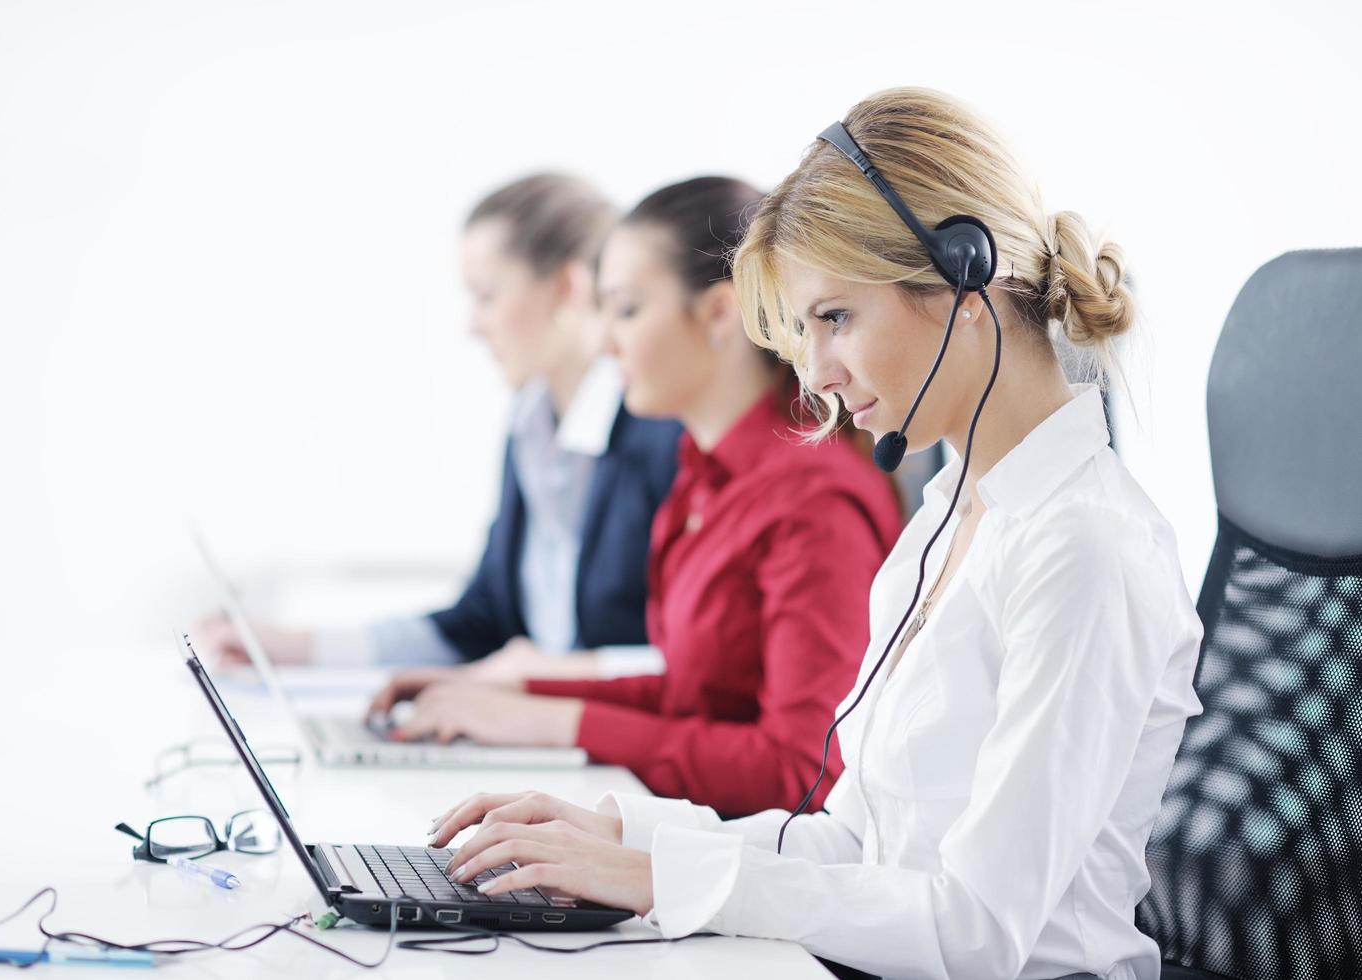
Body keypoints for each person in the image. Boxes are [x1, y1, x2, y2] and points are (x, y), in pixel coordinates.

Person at [421, 89, 1204, 980]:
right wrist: (619, 834)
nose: (818, 374)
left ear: (963, 278)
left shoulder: (1084, 549)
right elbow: (853, 844)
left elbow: (976, 932)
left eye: (835, 318)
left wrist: (653, 877)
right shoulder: (947, 519)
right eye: (804, 331)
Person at [373, 177, 903, 816]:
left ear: (716, 315)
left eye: (624, 310)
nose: (602, 341)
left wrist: (557, 722)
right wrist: (516, 694)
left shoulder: (811, 501)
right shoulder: (702, 475)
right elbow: (693, 697)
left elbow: (805, 771)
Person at [195, 174, 682, 683]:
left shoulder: (665, 436)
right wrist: (296, 646)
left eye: (486, 295)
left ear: (566, 287)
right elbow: (479, 622)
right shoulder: (529, 428)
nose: (473, 325)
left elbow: (693, 661)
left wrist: (543, 675)